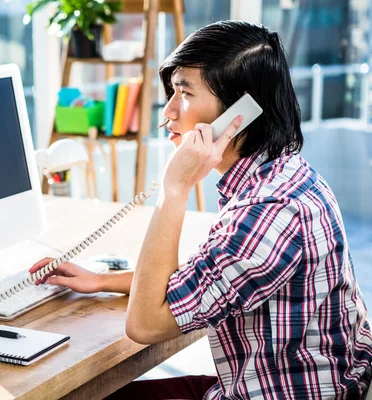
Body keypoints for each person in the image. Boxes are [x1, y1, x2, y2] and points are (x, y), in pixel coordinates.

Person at [30, 20, 372, 400]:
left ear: (239, 113)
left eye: (185, 93)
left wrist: (174, 188)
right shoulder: (279, 174)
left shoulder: (268, 212)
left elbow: (144, 325)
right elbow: (206, 276)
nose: (169, 113)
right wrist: (101, 280)